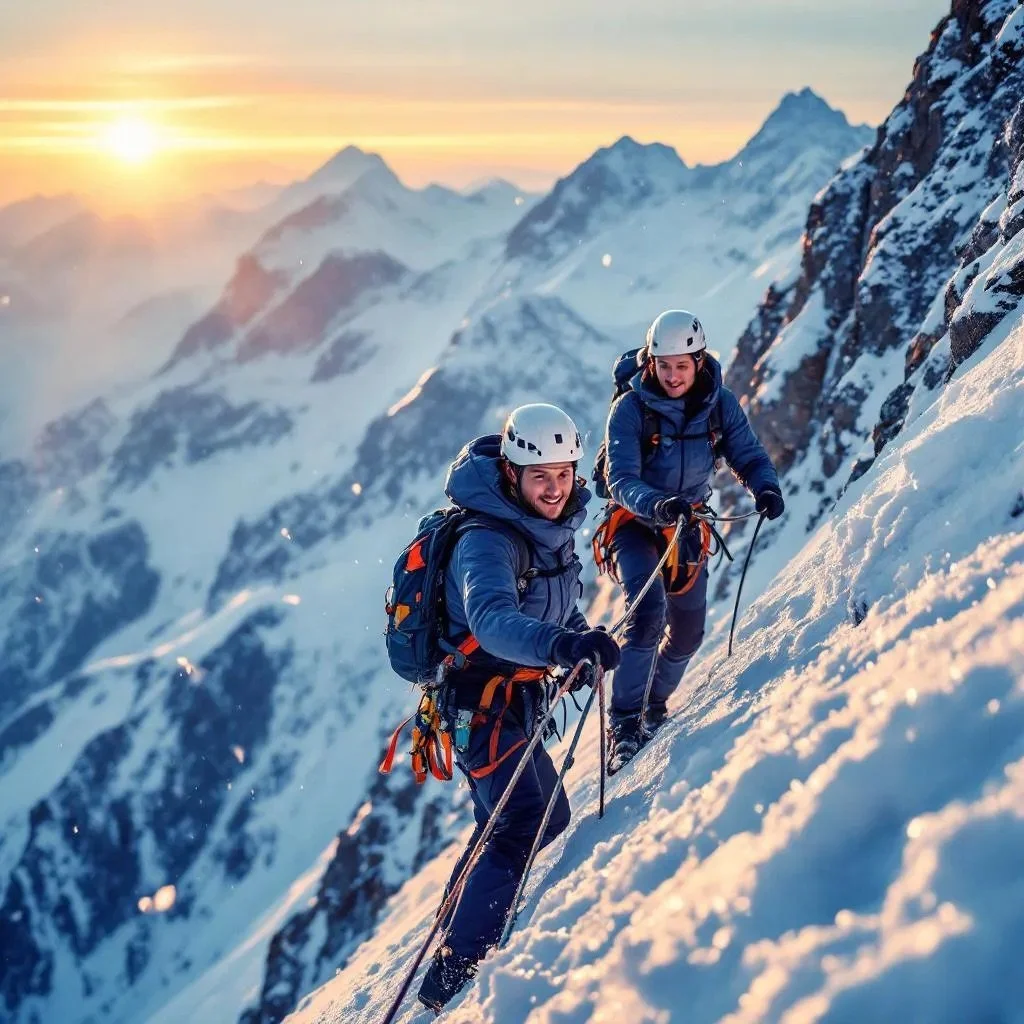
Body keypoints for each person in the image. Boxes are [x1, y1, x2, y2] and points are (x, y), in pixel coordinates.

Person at [418, 403, 621, 1012]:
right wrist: (563, 646)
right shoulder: (486, 539)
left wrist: (577, 637)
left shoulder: (543, 529)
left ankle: (457, 918)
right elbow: (492, 620)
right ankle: (454, 967)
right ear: (511, 473)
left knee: (524, 817)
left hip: (510, 700)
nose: (555, 488)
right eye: (540, 477)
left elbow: (552, 604)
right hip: (478, 704)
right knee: (526, 819)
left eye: (563, 473)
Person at [599, 309, 783, 773]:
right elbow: (620, 478)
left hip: (687, 526)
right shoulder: (631, 409)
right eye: (664, 366)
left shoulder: (719, 403)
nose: (673, 375)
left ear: (699, 361)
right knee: (647, 614)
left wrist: (765, 487)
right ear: (651, 363)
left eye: (682, 365)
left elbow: (747, 453)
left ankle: (653, 704)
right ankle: (624, 723)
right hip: (634, 525)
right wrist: (659, 504)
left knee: (687, 633)